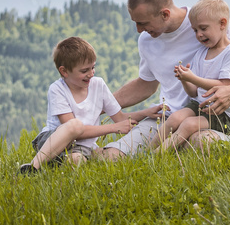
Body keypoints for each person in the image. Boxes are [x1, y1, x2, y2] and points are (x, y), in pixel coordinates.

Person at [101, 0, 230, 159]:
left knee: (200, 143)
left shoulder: (210, 23)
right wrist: (101, 105)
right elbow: (145, 84)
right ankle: (152, 157)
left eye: (143, 23)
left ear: (165, 14)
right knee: (111, 156)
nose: (139, 30)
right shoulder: (146, 41)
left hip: (209, 119)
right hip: (167, 118)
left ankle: (161, 157)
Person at [20, 36, 161, 173]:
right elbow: (74, 132)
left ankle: (58, 167)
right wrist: (113, 128)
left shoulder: (98, 85)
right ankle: (33, 167)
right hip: (52, 141)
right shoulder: (57, 89)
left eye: (93, 67)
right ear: (64, 71)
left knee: (76, 160)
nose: (91, 74)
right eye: (84, 71)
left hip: (81, 147)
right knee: (75, 125)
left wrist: (145, 113)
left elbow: (120, 118)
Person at [155, 0, 230, 151]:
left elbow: (224, 87)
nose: (199, 35)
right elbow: (193, 91)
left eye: (203, 28)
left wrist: (193, 78)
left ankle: (159, 155)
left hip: (222, 113)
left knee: (189, 124)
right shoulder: (202, 52)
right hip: (200, 104)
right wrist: (184, 79)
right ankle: (146, 153)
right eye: (195, 30)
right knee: (175, 118)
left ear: (222, 24)